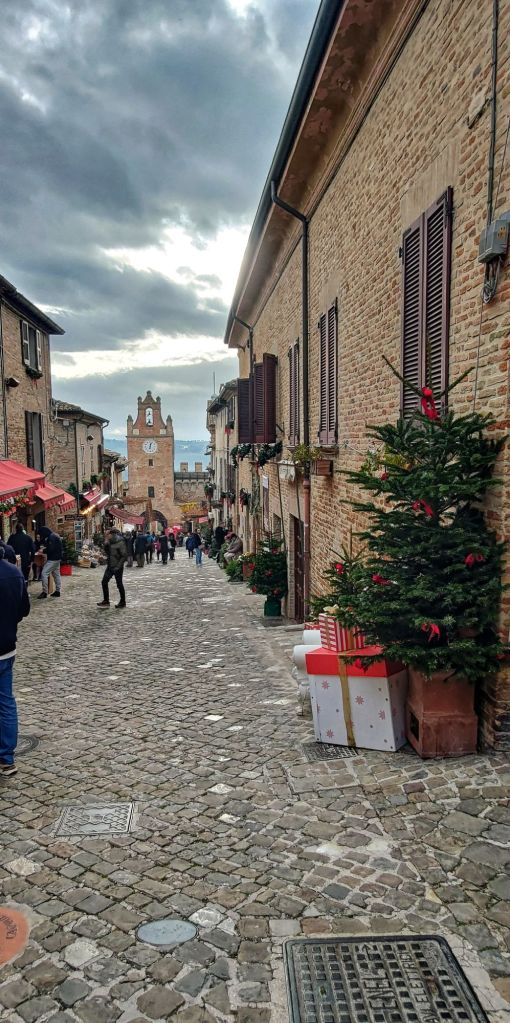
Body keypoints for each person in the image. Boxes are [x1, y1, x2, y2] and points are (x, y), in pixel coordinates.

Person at [0, 544, 30, 775]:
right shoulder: (14, 573)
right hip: (7, 647)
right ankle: (6, 758)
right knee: (6, 702)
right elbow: (24, 609)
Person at [97, 528, 128, 609]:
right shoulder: (110, 541)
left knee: (119, 584)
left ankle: (123, 602)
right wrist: (106, 543)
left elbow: (124, 556)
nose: (106, 536)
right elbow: (107, 552)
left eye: (107, 535)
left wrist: (118, 566)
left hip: (118, 567)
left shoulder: (120, 541)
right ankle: (106, 601)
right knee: (104, 582)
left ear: (111, 534)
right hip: (110, 566)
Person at [38, 527, 63, 599]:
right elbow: (53, 547)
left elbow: (51, 548)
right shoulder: (54, 535)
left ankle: (44, 592)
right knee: (56, 574)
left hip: (53, 559)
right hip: (57, 558)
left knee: (44, 573)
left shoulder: (51, 537)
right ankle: (58, 591)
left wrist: (43, 551)